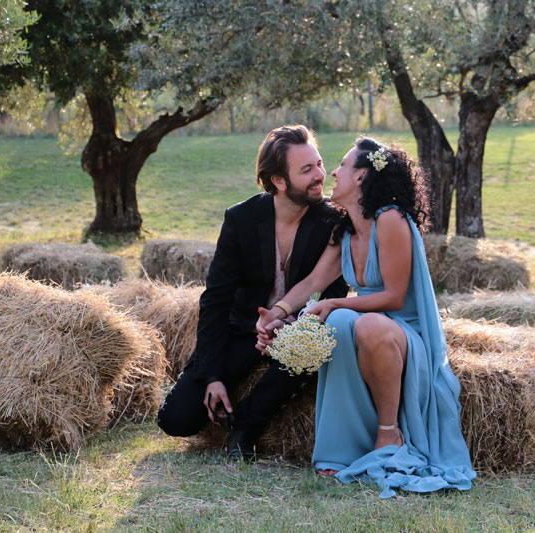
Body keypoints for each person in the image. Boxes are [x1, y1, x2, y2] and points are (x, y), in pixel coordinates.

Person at [257, 137, 475, 497]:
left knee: (353, 319)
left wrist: (334, 305)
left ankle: (389, 432)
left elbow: (393, 296)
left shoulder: (389, 219)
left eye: (342, 164)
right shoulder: (344, 228)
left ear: (360, 176)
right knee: (341, 323)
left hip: (405, 333)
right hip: (367, 328)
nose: (334, 172)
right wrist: (277, 313)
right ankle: (342, 450)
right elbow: (313, 281)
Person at [157, 124, 348, 460]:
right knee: (176, 419)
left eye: (319, 164)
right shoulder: (241, 219)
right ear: (278, 180)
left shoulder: (332, 219)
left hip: (297, 329)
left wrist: (291, 322)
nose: (320, 175)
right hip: (242, 331)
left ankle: (246, 425)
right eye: (307, 170)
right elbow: (216, 299)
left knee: (312, 346)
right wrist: (213, 376)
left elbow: (331, 289)